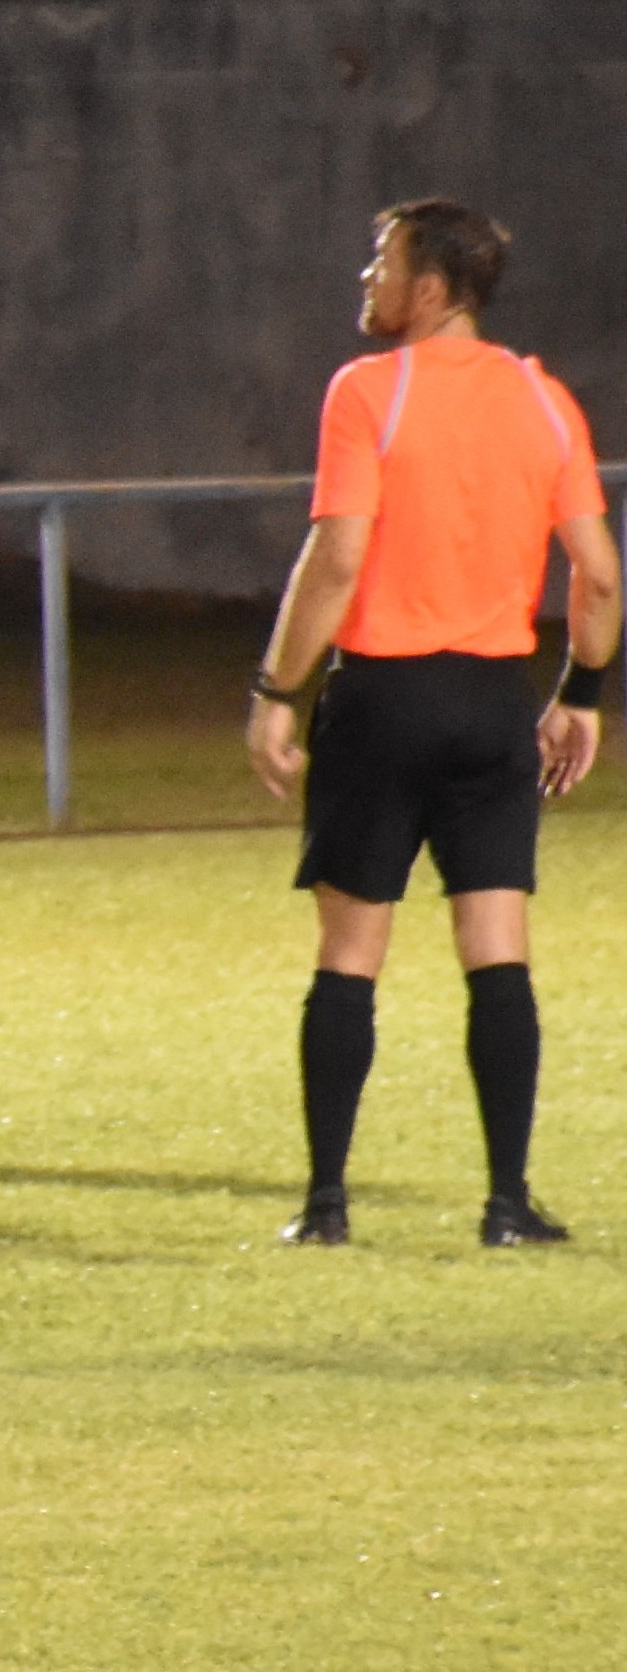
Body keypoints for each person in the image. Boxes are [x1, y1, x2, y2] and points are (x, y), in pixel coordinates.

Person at [247, 198, 618, 1248]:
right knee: (496, 949)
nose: (367, 278)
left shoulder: (370, 392)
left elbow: (339, 558)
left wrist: (279, 693)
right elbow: (595, 577)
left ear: (434, 287)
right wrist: (579, 697)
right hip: (495, 701)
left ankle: (326, 1206)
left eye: (383, 261)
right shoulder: (544, 401)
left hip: (383, 700)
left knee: (350, 952)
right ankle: (508, 1202)